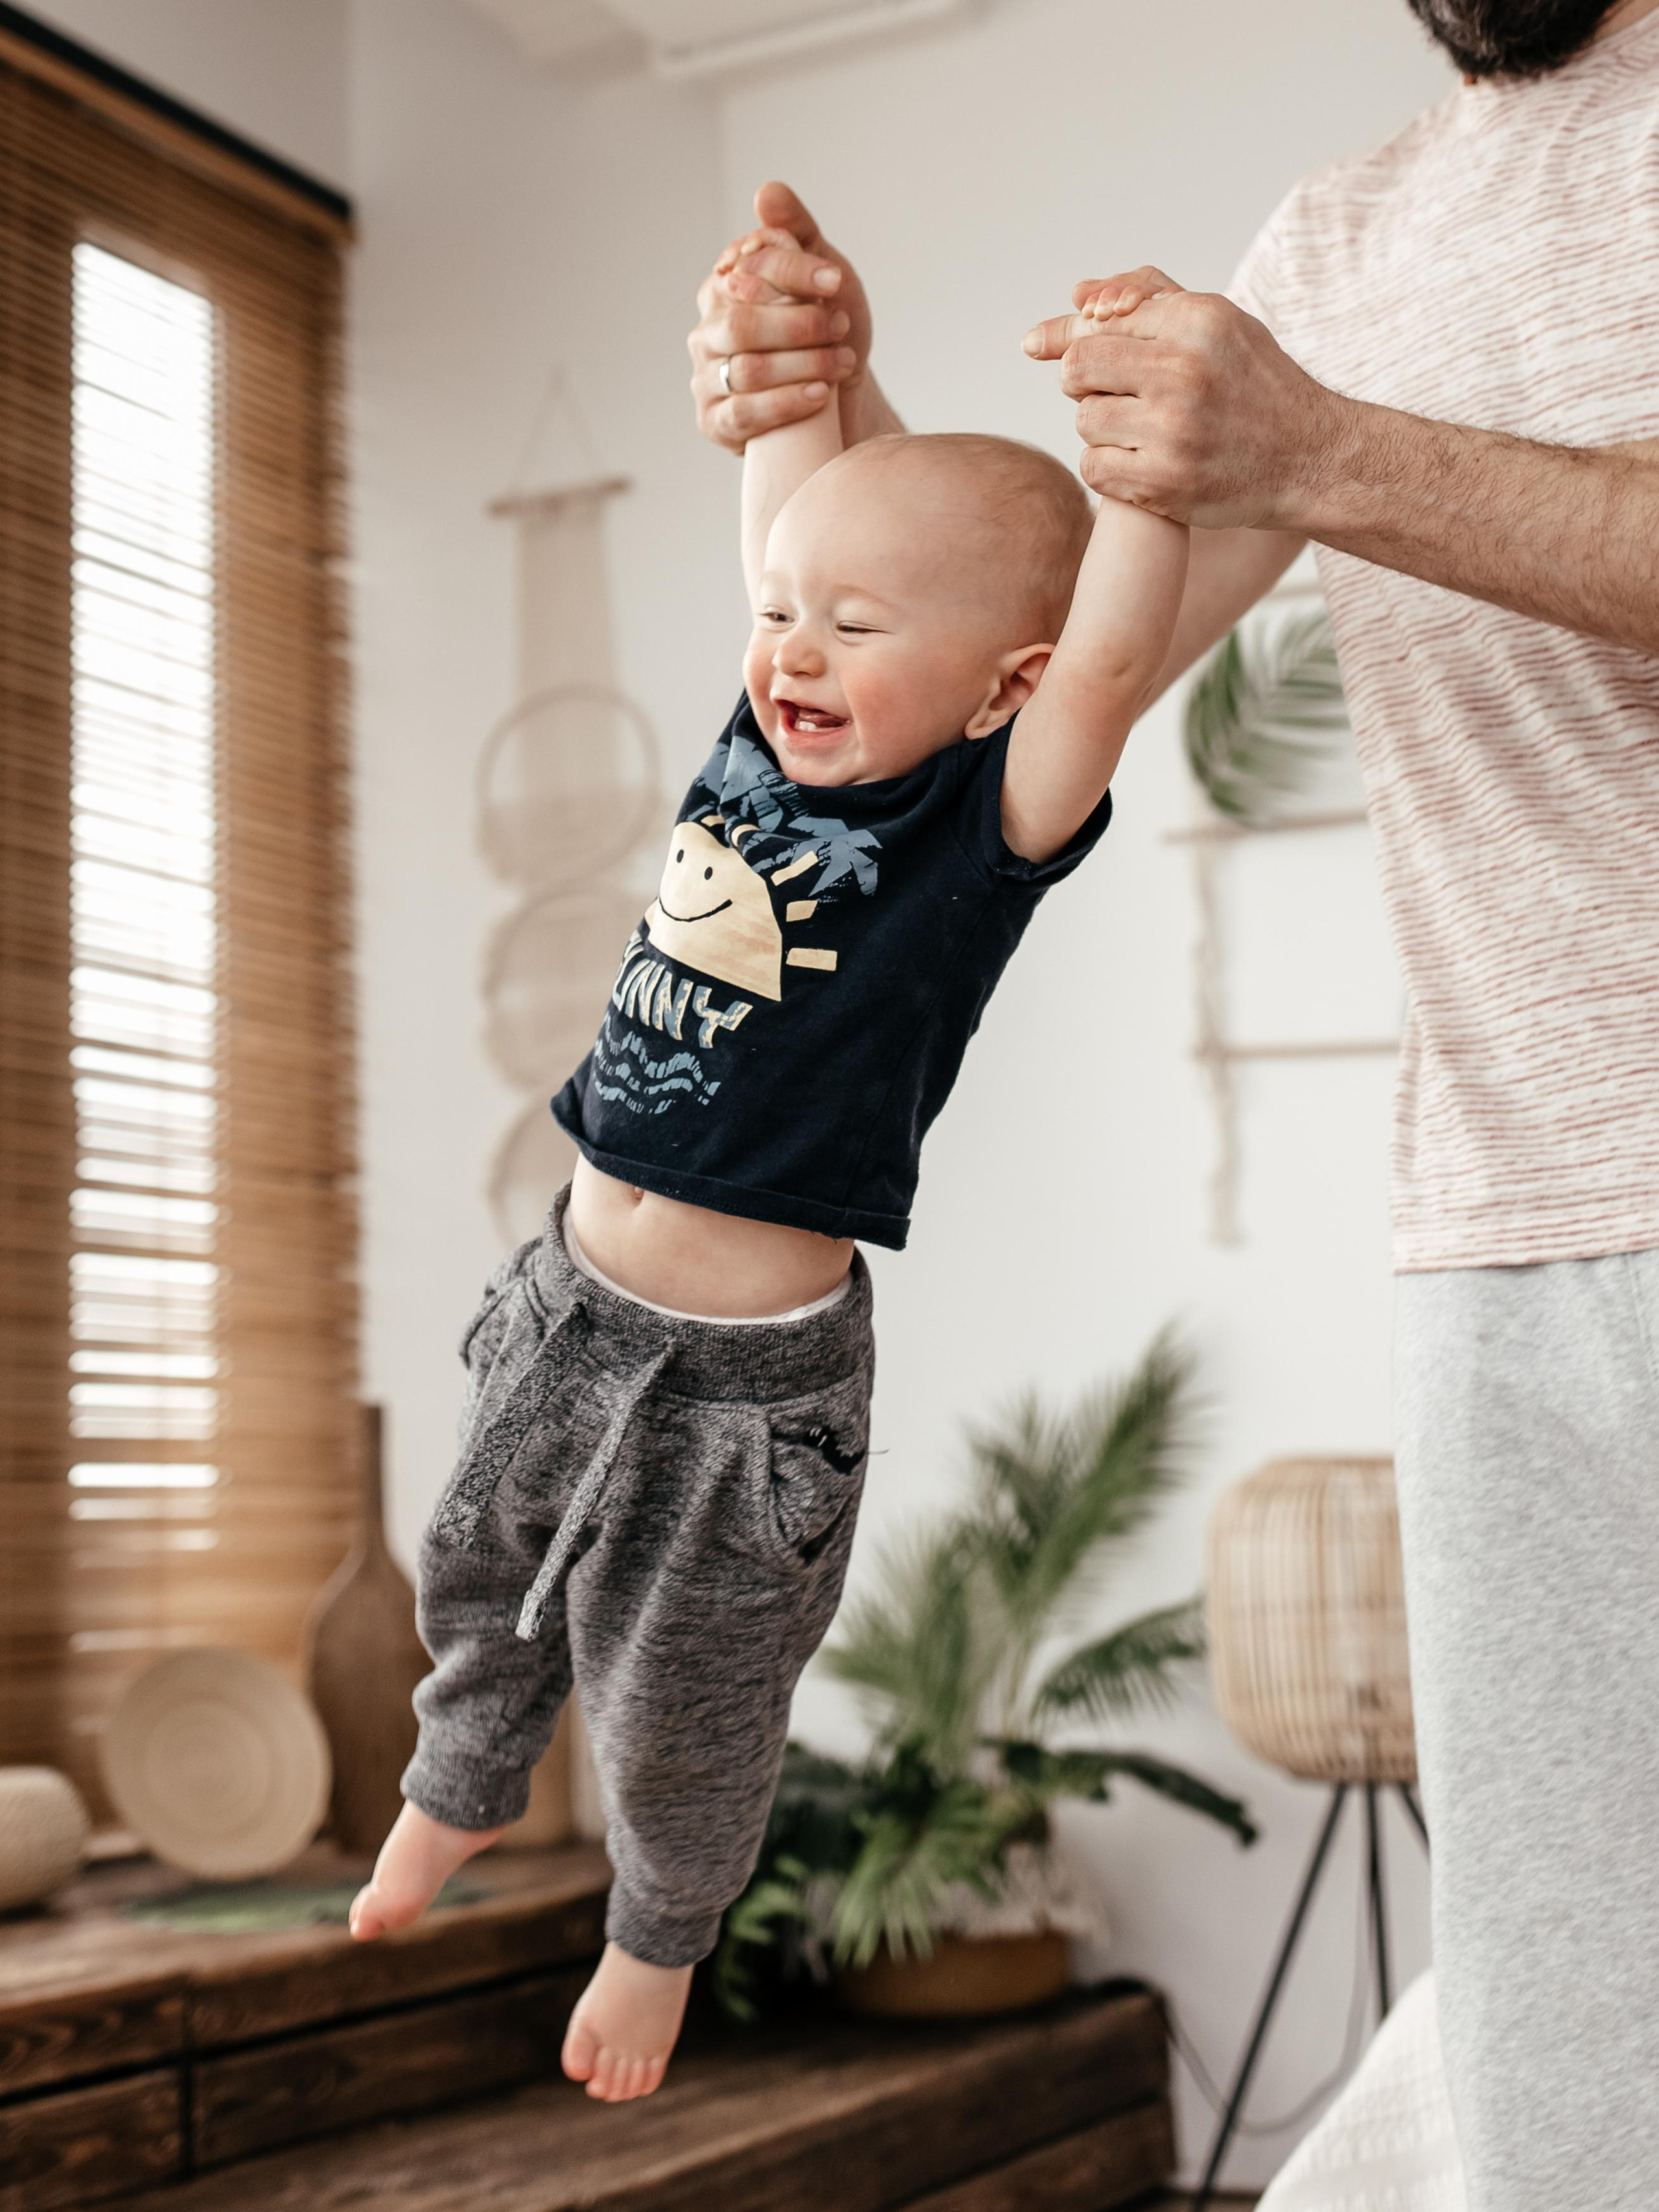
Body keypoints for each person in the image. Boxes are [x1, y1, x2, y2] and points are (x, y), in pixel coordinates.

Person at [685, 5, 1659, 2204]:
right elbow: (1059, 661)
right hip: (1501, 1242)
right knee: (1569, 2035)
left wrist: (1325, 446)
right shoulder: (1343, 236)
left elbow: (1314, 465)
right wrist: (842, 435)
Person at [347, 276, 1190, 2102]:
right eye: (781, 616)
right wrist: (786, 323)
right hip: (569, 1295)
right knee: (481, 1564)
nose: (793, 650)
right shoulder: (755, 743)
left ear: (1005, 685)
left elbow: (1117, 662)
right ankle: (459, 1786)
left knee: (687, 1691)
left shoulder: (984, 826)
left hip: (750, 1393)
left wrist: (1147, 473)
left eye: (854, 627)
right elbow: (788, 497)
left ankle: (659, 1936)